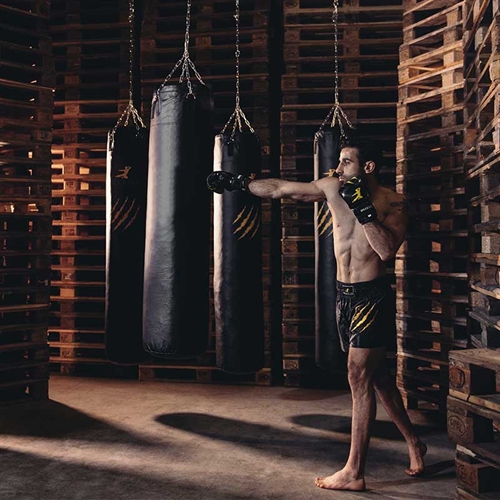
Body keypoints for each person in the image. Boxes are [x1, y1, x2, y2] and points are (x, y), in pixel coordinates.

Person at [207, 138, 427, 491]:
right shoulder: (332, 187)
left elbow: (386, 251)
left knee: (358, 377)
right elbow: (281, 188)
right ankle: (416, 444)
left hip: (371, 297)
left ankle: (354, 472)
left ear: (368, 167)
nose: (337, 169)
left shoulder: (393, 202)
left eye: (346, 163)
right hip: (343, 295)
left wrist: (364, 212)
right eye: (338, 162)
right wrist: (239, 183)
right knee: (379, 378)